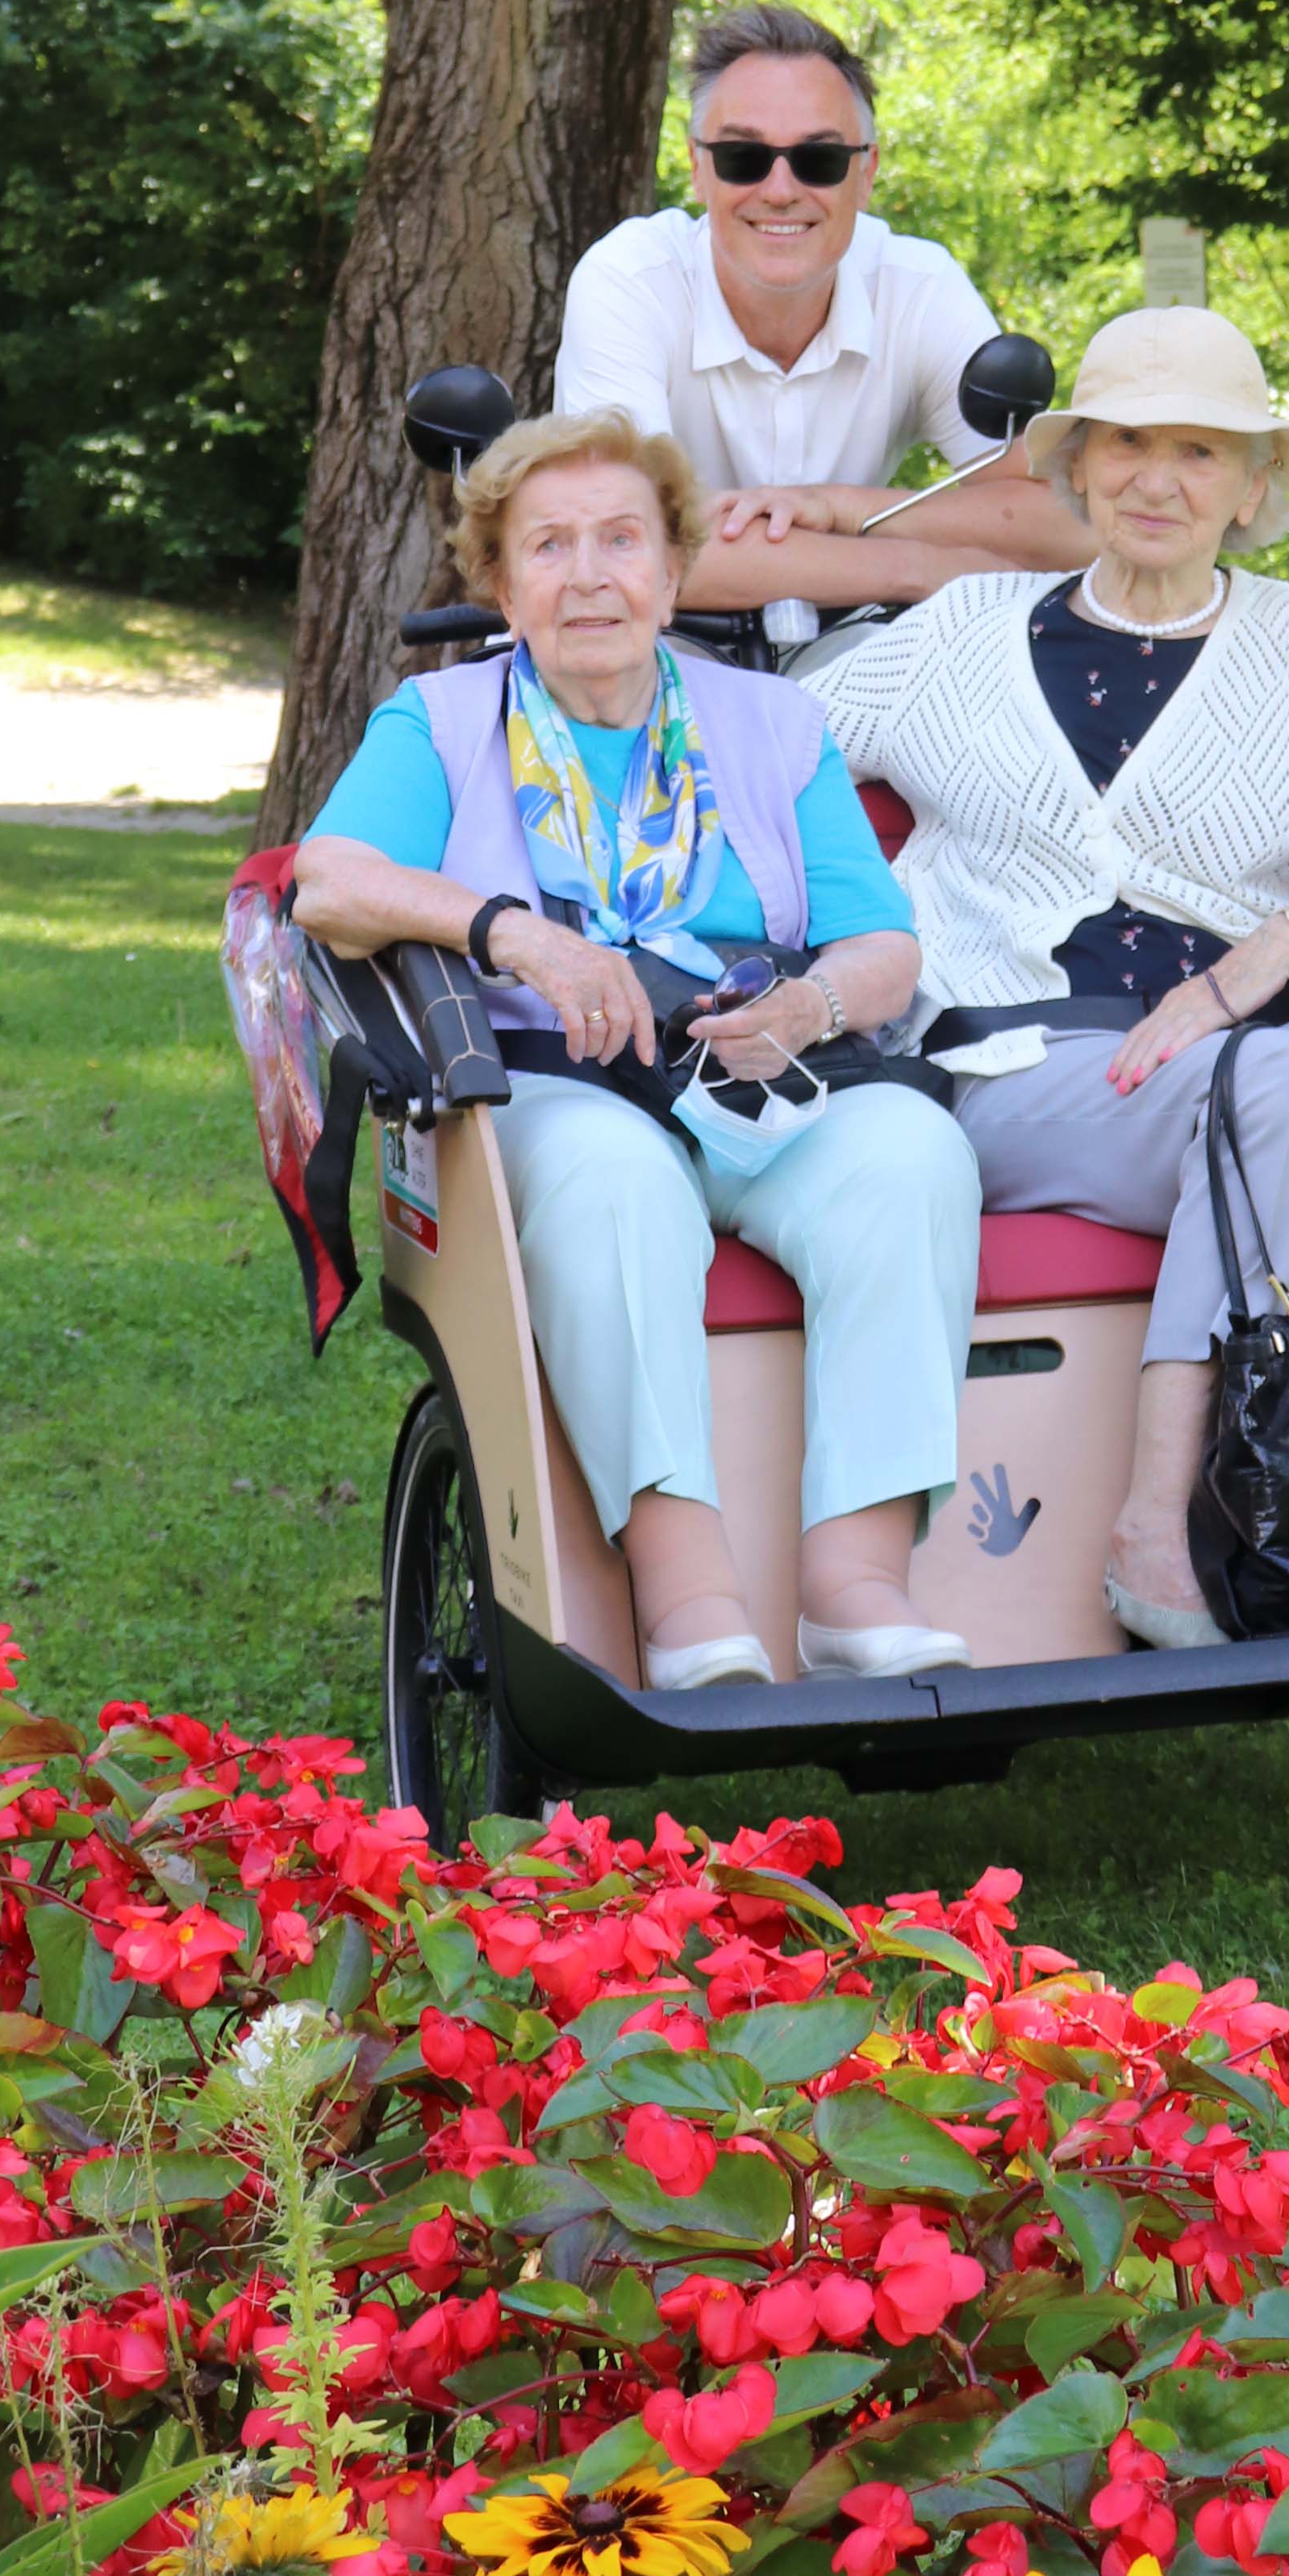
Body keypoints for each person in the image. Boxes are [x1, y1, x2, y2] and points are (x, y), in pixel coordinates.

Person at [801, 305, 1289, 1653]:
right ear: (1076, 465)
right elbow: (755, 754)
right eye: (1131, 442)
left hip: (1269, 1033)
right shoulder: (961, 633)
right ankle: (1158, 1518)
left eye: (1202, 451)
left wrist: (1282, 941)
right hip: (1031, 1065)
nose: (1160, 479)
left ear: (1256, 484)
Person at [290, 407, 981, 1687]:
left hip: (752, 1069)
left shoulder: (772, 725)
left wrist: (809, 1011)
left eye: (622, 540)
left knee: (913, 1153)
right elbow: (328, 884)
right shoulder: (439, 721)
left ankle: (857, 1581)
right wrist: (511, 934)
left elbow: (881, 943)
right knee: (613, 1184)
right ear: (501, 583)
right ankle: (686, 1593)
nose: (590, 574)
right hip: (548, 1079)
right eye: (548, 546)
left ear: (676, 572)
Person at [554, 0, 1077, 639]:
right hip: (652, 676)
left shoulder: (920, 289)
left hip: (865, 677)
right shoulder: (629, 281)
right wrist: (916, 566)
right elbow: (625, 546)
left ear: (867, 174)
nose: (780, 188)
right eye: (744, 157)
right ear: (697, 168)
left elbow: (1066, 523)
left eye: (819, 161)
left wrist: (841, 509)